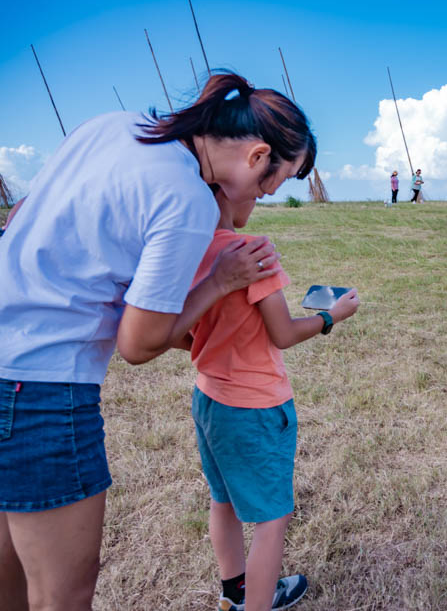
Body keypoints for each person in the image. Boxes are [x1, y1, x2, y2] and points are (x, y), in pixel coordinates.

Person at [0, 72, 316, 611]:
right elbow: (137, 344)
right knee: (62, 595)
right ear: (257, 155)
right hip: (41, 388)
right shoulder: (186, 198)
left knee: (7, 577)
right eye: (273, 183)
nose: (264, 198)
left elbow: (24, 213)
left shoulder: (116, 127)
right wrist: (221, 282)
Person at [186, 187, 359, 611]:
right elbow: (282, 333)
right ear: (229, 189)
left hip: (209, 398)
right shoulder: (251, 252)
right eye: (256, 190)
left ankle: (236, 594)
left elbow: (187, 328)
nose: (258, 199)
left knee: (222, 499)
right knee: (271, 519)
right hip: (256, 407)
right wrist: (329, 317)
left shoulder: (188, 249)